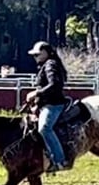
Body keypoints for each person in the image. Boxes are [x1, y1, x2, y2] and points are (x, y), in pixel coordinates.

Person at [25, 40, 69, 172]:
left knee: (45, 128)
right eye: (34, 55)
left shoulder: (50, 65)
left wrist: (36, 93)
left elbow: (55, 85)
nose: (35, 57)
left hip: (54, 105)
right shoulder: (47, 65)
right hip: (46, 104)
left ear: (46, 53)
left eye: (37, 55)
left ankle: (60, 161)